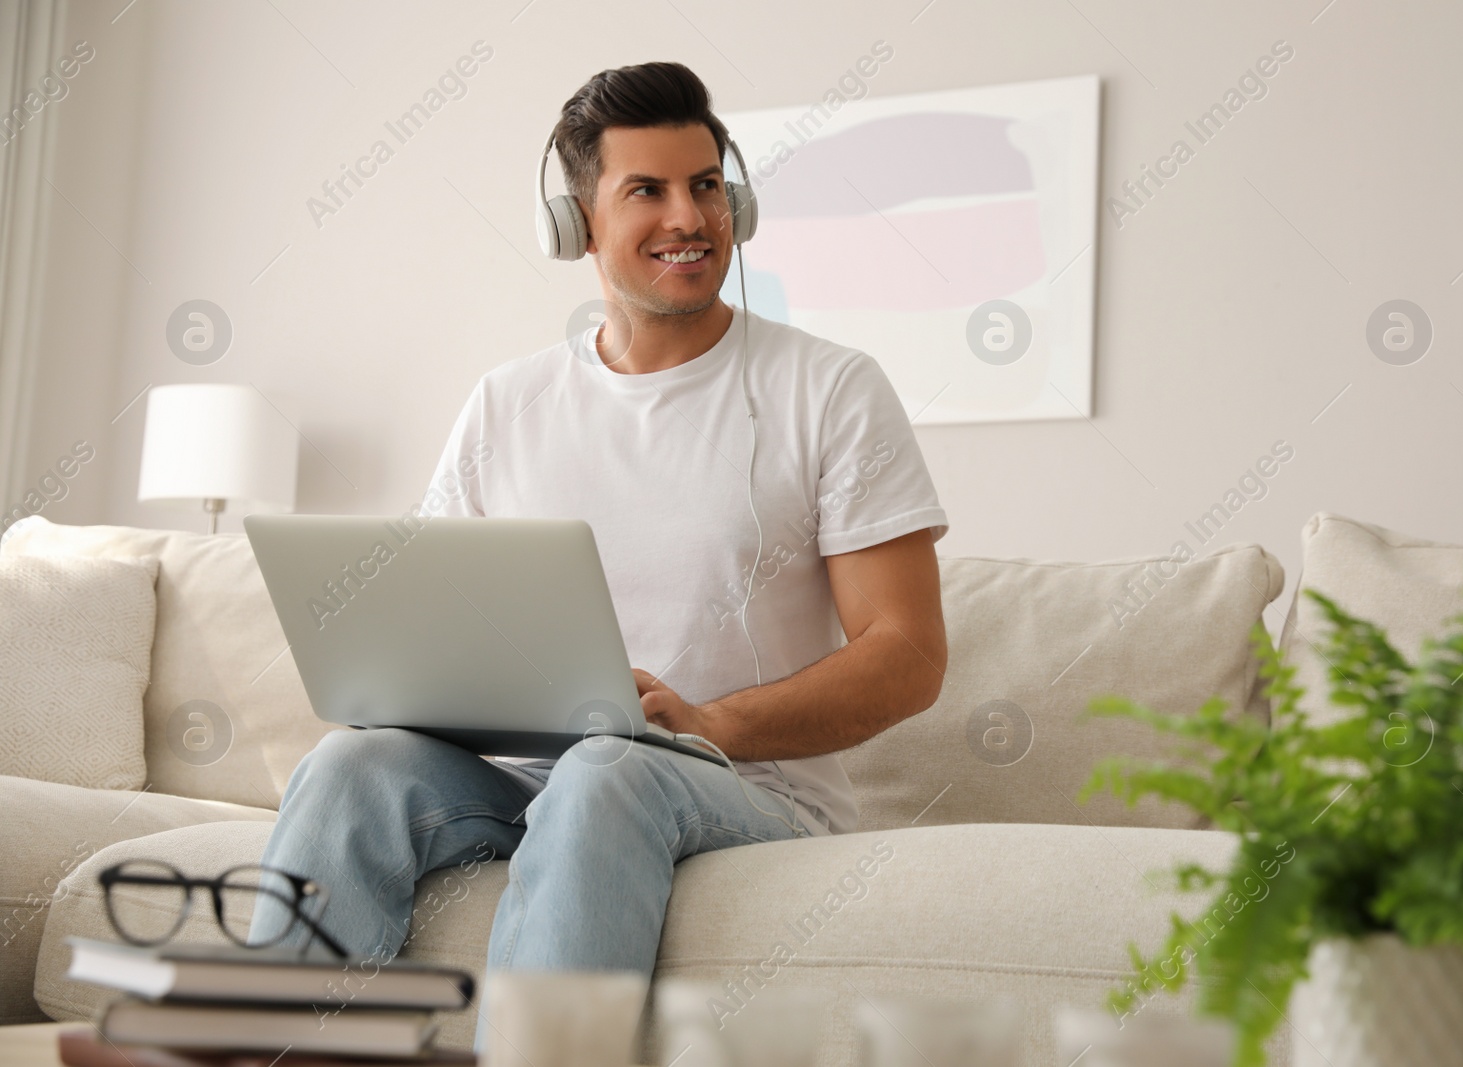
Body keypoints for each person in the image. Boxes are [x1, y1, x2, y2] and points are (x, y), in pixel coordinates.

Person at [250, 60, 949, 1050]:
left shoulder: (829, 389)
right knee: (351, 764)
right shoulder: (506, 402)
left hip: (748, 788)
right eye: (648, 191)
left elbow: (909, 654)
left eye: (707, 185)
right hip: (525, 778)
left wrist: (706, 720)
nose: (691, 218)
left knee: (605, 768)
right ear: (575, 222)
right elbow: (429, 620)